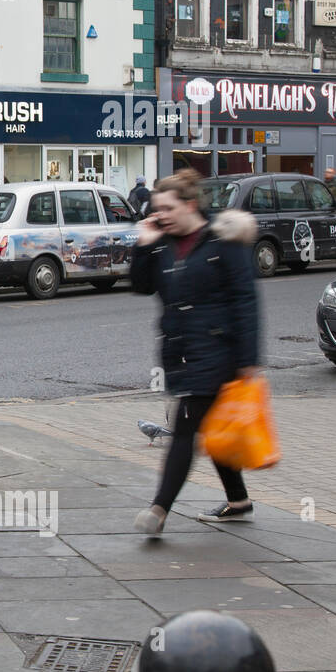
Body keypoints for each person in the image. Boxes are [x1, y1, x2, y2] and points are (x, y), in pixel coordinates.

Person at [131, 168, 260, 535]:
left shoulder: (223, 240)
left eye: (168, 208)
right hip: (181, 349)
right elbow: (141, 287)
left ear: (189, 205)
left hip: (219, 352)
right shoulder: (163, 242)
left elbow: (245, 300)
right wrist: (144, 243)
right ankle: (238, 501)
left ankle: (158, 510)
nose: (161, 215)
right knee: (212, 426)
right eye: (157, 209)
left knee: (185, 425)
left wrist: (249, 360)